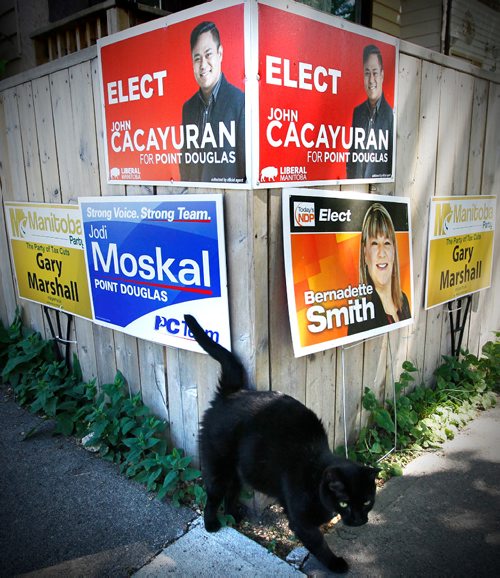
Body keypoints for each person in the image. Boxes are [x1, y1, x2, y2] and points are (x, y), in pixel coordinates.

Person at [180, 21, 245, 184]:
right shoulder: (187, 109)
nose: (203, 65)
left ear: (220, 53)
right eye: (197, 58)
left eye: (208, 55)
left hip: (230, 204)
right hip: (196, 206)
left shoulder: (240, 102)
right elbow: (185, 164)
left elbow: (245, 170)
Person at [349, 203, 410, 335]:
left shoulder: (403, 301)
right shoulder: (360, 311)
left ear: (394, 250)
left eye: (387, 243)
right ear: (365, 252)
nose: (382, 253)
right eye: (375, 243)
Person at [346, 45, 393, 179]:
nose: (371, 80)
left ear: (382, 75)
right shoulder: (357, 112)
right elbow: (351, 158)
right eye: (367, 73)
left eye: (375, 73)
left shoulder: (391, 117)